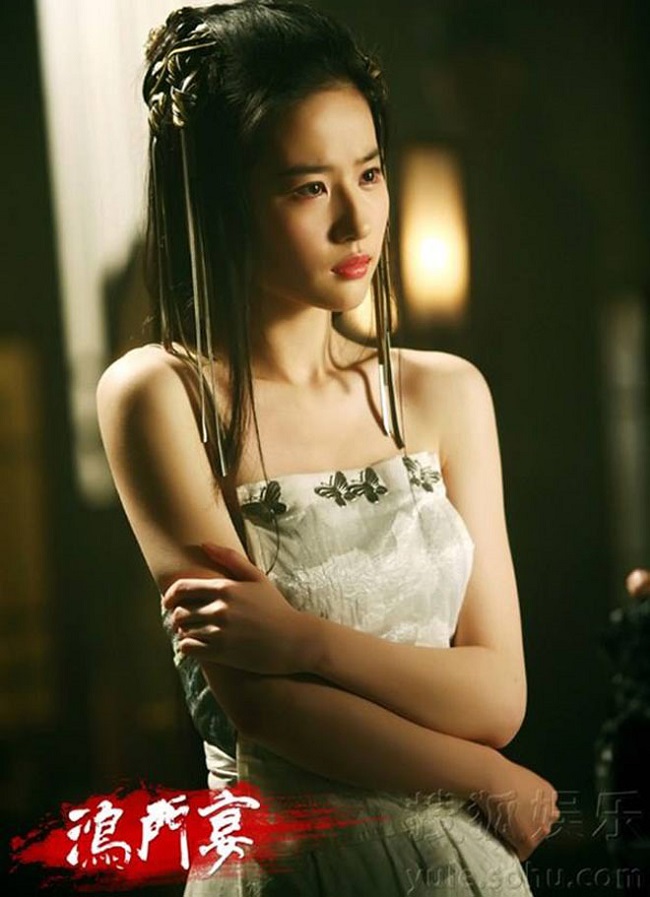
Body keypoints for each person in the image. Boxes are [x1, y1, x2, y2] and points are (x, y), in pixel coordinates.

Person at [96, 2, 560, 893]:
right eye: (309, 187)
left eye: (371, 173)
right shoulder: (161, 395)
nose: (358, 221)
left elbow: (499, 694)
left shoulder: (444, 393)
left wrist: (301, 639)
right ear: (223, 198)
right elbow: (265, 709)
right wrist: (484, 776)